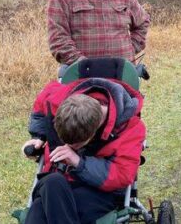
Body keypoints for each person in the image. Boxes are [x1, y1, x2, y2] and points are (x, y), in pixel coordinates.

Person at [21, 78, 146, 223]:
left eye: (76, 144)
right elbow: (43, 101)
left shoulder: (131, 128)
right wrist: (38, 135)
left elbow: (123, 175)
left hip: (96, 192)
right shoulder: (58, 98)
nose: (68, 146)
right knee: (52, 182)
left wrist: (79, 162)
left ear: (94, 131)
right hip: (55, 182)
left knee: (39, 212)